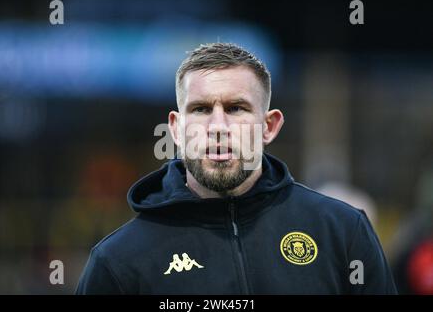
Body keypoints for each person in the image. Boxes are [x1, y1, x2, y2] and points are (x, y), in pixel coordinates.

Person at [76, 43, 397, 294]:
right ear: (176, 128)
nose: (218, 126)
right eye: (201, 109)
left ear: (269, 126)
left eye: (236, 108)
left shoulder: (341, 232)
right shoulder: (120, 261)